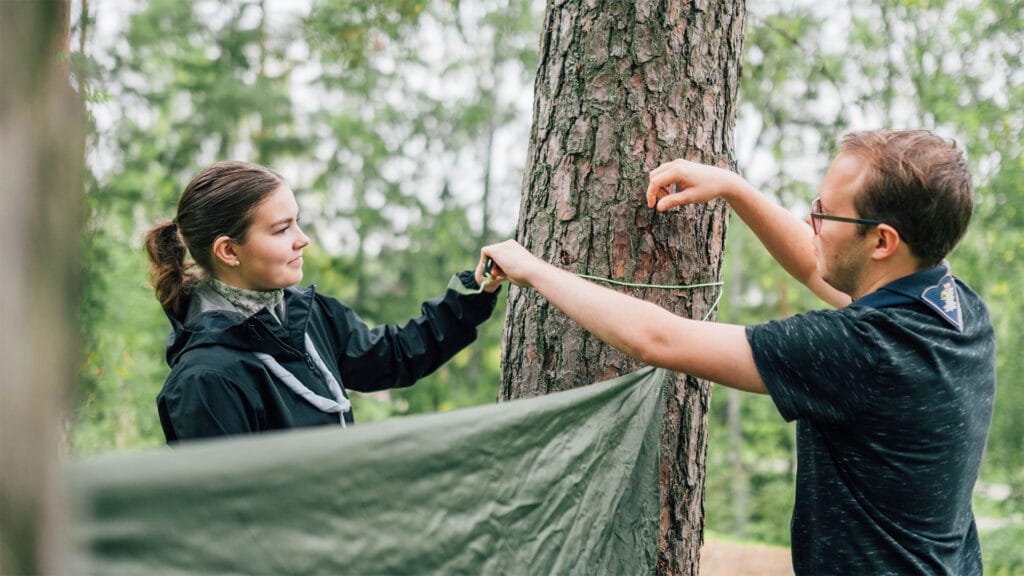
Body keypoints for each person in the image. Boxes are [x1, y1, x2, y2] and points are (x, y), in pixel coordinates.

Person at [481, 129, 995, 575]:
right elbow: (821, 267)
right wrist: (733, 187)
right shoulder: (956, 309)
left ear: (882, 242)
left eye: (824, 214)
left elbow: (659, 340)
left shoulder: (864, 350)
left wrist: (534, 270)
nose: (811, 223)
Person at [144, 161, 505, 443]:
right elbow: (228, 516)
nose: (303, 239)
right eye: (281, 229)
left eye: (296, 223)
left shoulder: (305, 314)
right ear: (228, 251)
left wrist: (474, 291)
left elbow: (393, 356)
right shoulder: (205, 380)